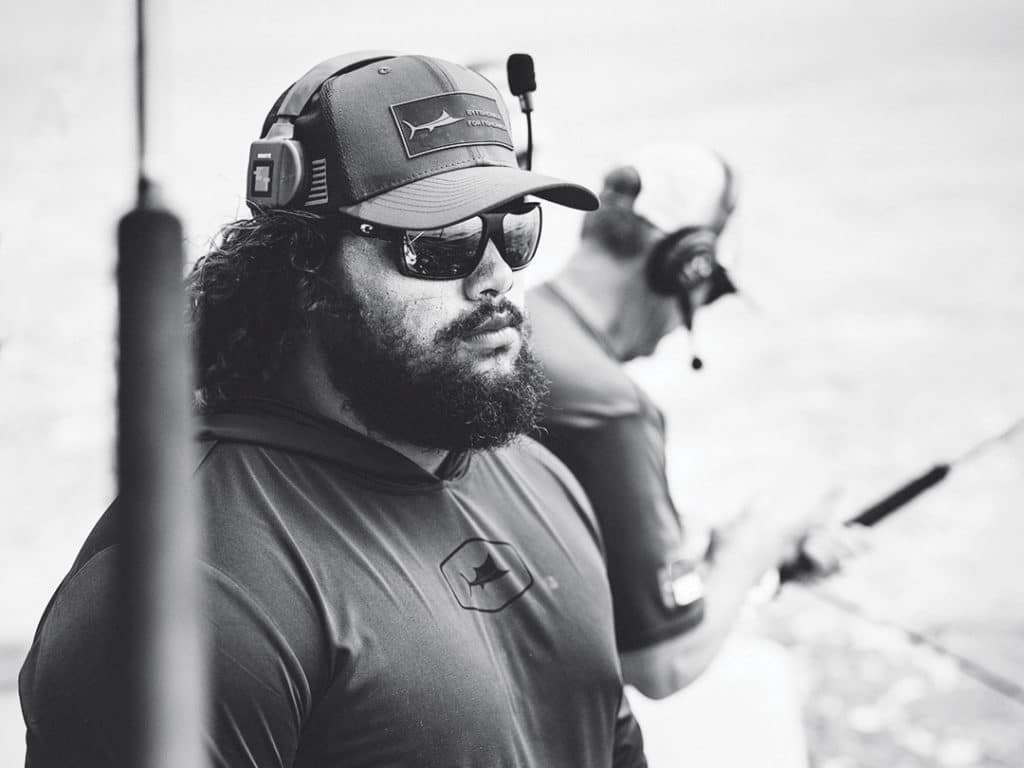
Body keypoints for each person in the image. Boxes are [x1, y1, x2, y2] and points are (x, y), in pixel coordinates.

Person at [19, 52, 648, 767]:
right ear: (305, 262)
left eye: (515, 229)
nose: (496, 276)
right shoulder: (188, 595)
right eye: (441, 243)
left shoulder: (543, 478)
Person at [529, 142, 862, 700]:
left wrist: (737, 565)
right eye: (709, 296)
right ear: (686, 265)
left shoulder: (514, 327)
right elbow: (662, 663)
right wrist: (761, 538)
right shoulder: (608, 409)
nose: (679, 332)